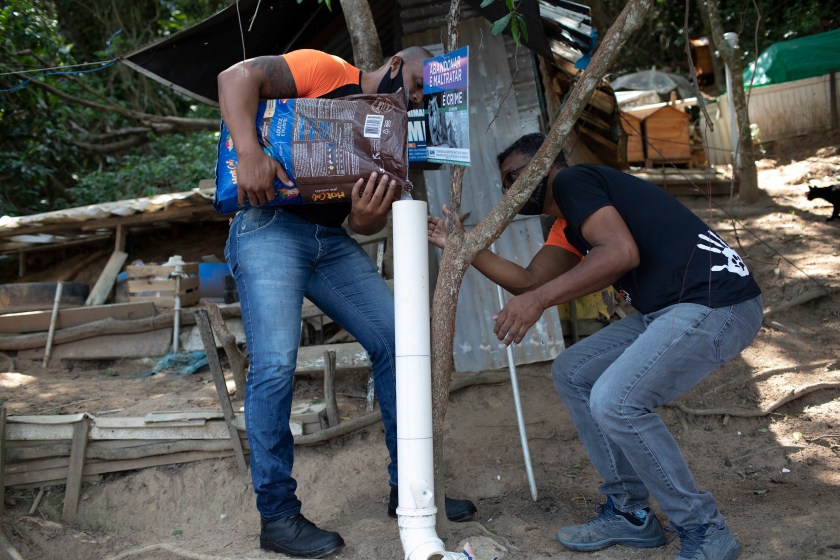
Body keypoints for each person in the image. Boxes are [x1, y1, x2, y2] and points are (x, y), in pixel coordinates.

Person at [428, 132, 762, 560]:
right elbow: (529, 281)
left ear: (546, 165)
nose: (510, 189)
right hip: (672, 309)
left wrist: (539, 302)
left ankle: (705, 529)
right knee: (574, 371)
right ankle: (630, 512)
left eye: (515, 176)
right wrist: (463, 246)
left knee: (616, 400)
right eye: (505, 182)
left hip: (717, 303)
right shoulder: (570, 223)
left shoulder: (575, 181)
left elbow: (620, 253)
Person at [218, 47, 476, 559]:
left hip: (330, 240)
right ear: (397, 63)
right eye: (418, 84)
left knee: (400, 341)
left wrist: (365, 216)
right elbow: (234, 75)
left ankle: (410, 491)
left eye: (426, 97)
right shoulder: (330, 71)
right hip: (269, 225)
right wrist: (249, 153)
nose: (417, 98)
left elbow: (361, 224)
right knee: (274, 364)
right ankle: (278, 517)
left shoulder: (392, 137)